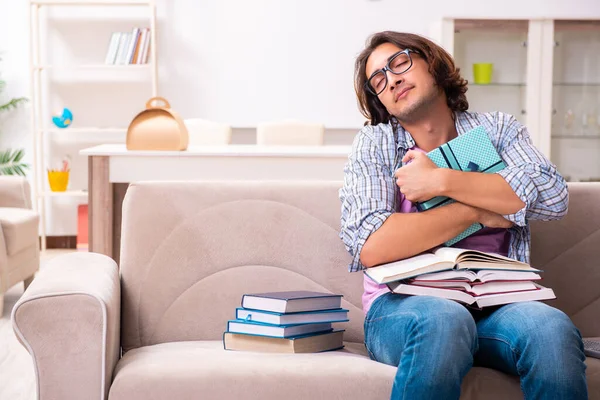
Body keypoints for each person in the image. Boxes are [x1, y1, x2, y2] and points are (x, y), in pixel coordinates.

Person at [339, 31, 587, 400]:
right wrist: (480, 208)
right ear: (381, 101)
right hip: (404, 307)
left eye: (399, 62)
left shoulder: (499, 129)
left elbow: (552, 197)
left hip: (497, 305)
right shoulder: (375, 143)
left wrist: (440, 180)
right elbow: (372, 246)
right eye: (378, 80)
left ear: (432, 63)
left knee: (551, 327)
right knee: (445, 319)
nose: (391, 79)